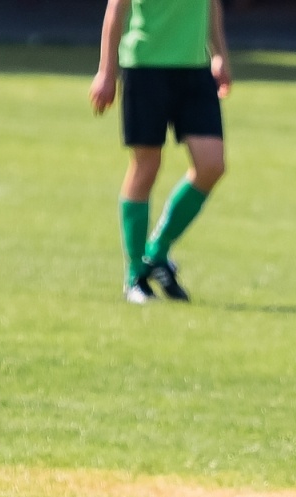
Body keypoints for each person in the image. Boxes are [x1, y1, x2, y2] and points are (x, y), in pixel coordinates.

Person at [89, 0, 230, 304]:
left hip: (195, 69)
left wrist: (219, 54)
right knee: (146, 166)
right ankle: (135, 275)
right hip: (145, 68)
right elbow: (116, 9)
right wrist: (106, 72)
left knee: (212, 165)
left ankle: (156, 252)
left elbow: (212, 4)